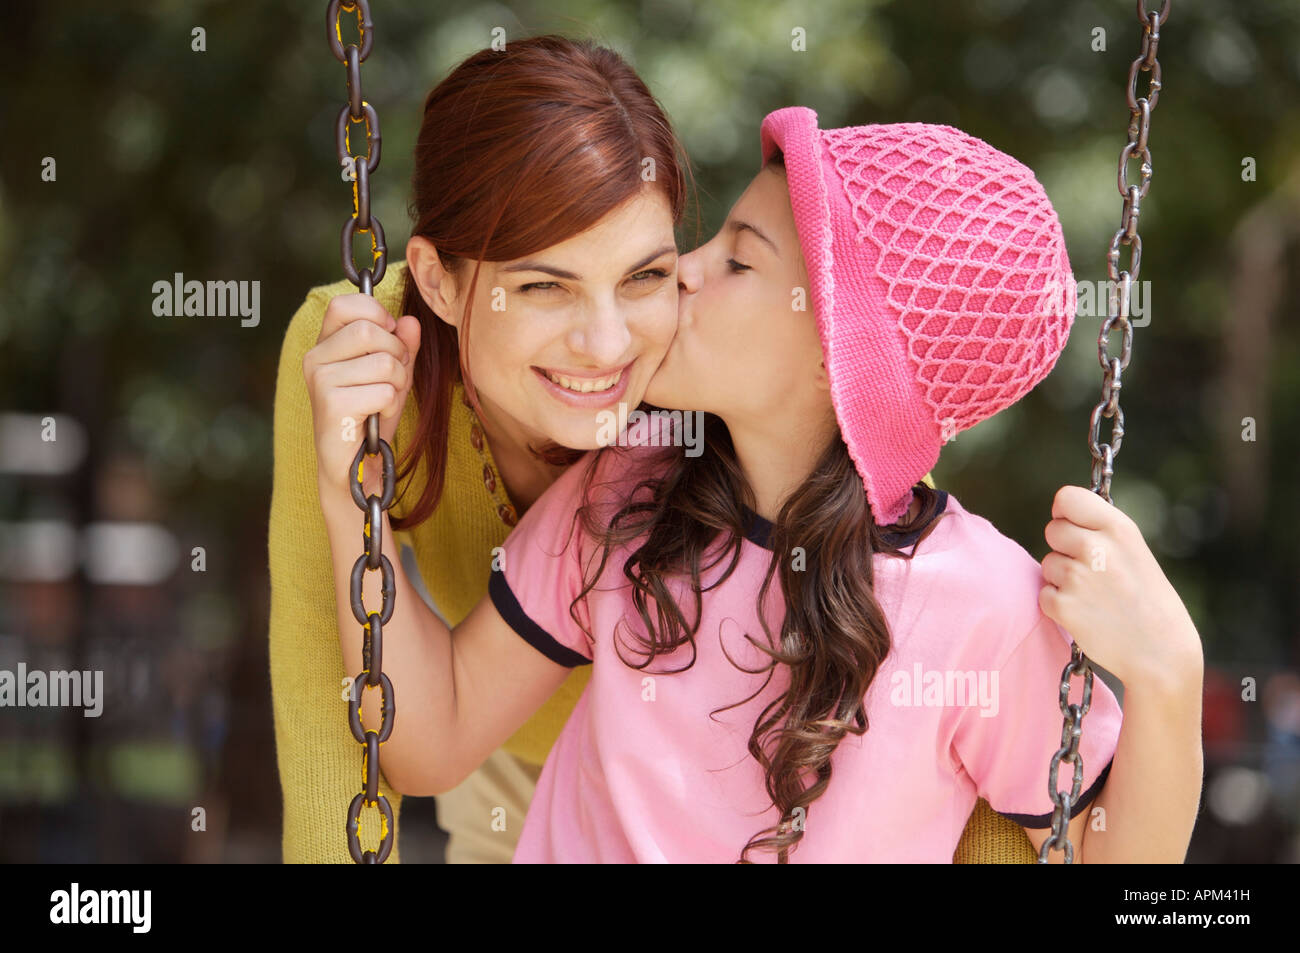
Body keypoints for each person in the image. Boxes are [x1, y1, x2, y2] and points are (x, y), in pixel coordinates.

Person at [316, 108, 1205, 861]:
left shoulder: (983, 605)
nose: (683, 270)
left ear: (840, 362)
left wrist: (1171, 674)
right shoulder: (626, 490)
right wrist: (348, 486)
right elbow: (429, 737)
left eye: (738, 261)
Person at [270, 34, 688, 863]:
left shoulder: (746, 360)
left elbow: (939, 642)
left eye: (644, 277)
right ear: (438, 281)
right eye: (543, 285)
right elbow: (331, 704)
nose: (607, 344)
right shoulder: (355, 358)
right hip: (507, 777)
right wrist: (344, 494)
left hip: (722, 799)